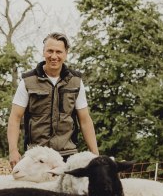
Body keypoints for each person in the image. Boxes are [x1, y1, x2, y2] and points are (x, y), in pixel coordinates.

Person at [7, 32, 99, 167]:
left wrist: (95, 154)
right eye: (50, 51)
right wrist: (13, 150)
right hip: (37, 154)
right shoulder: (28, 81)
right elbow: (15, 117)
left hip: (68, 154)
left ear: (66, 54)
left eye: (59, 52)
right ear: (43, 52)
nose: (54, 56)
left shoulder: (76, 82)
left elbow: (85, 120)